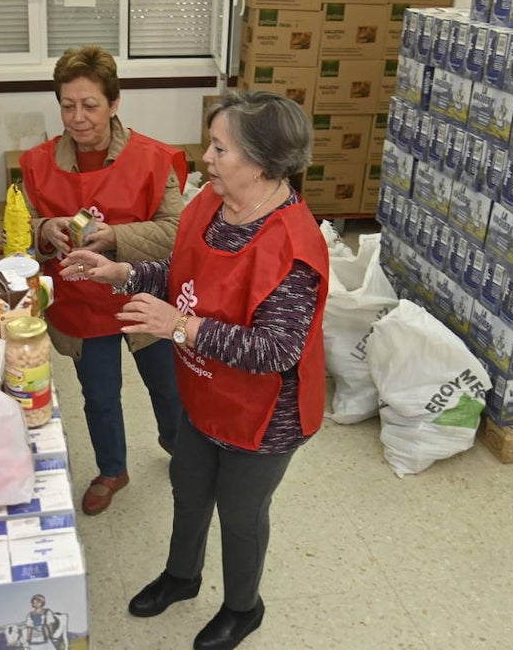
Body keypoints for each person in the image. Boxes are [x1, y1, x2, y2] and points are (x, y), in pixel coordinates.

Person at [59, 90, 329, 650]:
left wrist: (179, 327)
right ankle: (182, 577)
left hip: (264, 414)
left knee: (239, 512)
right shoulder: (209, 202)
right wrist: (121, 272)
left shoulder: (292, 245)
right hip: (206, 391)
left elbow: (276, 350)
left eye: (219, 148)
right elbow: (181, 272)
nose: (206, 157)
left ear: (260, 162)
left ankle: (242, 608)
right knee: (188, 486)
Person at [19, 45, 188, 517]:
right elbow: (22, 226)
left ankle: (180, 448)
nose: (77, 118)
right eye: (67, 105)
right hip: (81, 302)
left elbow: (178, 234)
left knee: (167, 385)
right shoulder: (37, 163)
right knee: (99, 396)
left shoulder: (153, 160)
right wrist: (43, 230)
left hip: (144, 293)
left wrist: (117, 237)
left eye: (90, 105)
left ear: (114, 104)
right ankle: (113, 469)